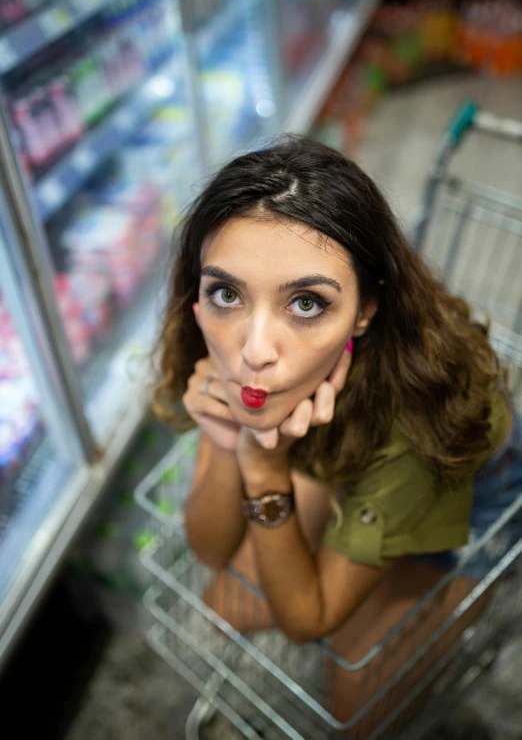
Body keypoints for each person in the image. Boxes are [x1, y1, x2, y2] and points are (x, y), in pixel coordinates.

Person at [153, 137, 522, 736]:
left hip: (460, 496)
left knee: (355, 699)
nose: (253, 351)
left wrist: (266, 467)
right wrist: (229, 441)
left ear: (365, 310)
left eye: (305, 302)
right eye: (227, 292)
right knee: (229, 599)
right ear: (197, 300)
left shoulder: (415, 420)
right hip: (347, 457)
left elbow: (308, 620)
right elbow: (211, 548)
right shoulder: (237, 361)